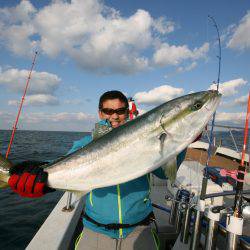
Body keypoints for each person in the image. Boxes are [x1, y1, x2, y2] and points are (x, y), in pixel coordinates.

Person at [8, 90, 187, 250]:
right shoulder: (85, 144)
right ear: (100, 112)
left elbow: (164, 173)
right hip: (95, 231)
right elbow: (65, 165)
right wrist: (39, 176)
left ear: (128, 112)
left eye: (120, 111)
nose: (115, 116)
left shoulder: (143, 141)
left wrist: (180, 143)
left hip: (140, 229)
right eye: (108, 111)